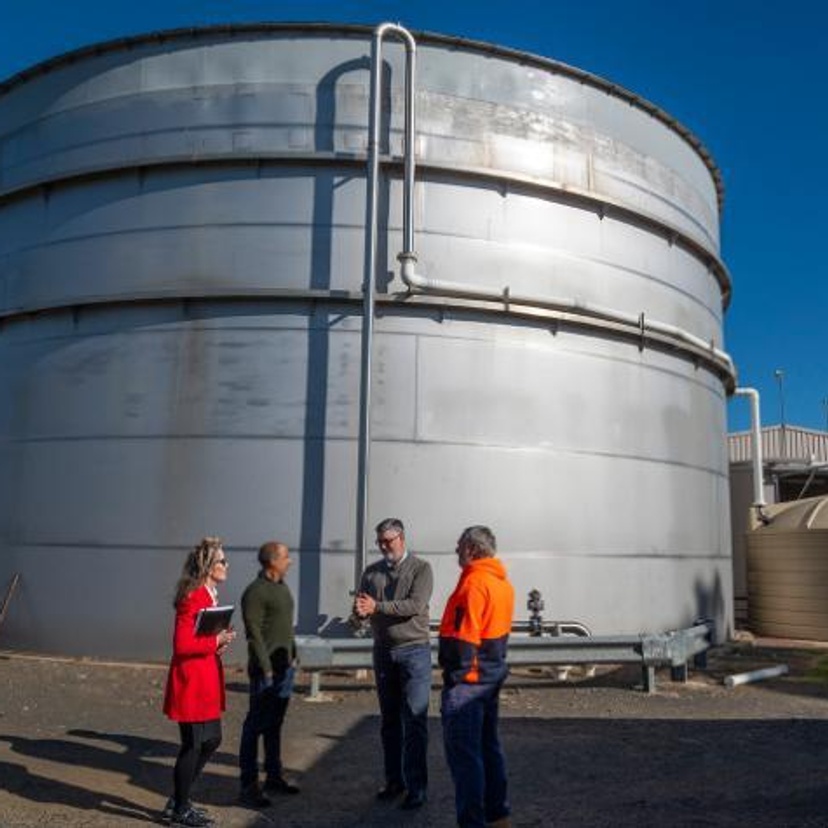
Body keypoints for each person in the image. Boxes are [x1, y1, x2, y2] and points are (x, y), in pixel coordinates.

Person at [438, 526, 515, 828]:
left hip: (468, 685)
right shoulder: (502, 584)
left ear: (471, 549)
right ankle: (498, 816)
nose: (456, 550)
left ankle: (472, 823)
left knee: (465, 759)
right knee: (489, 750)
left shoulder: (473, 585)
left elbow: (463, 642)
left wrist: (454, 678)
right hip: (490, 678)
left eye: (459, 545)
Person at [354, 517, 433, 810]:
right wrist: (360, 614)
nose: (384, 546)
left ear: (401, 537)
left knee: (415, 721)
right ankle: (394, 781)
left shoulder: (421, 569)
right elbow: (361, 609)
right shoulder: (371, 573)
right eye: (380, 542)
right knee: (389, 722)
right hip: (384, 652)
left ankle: (417, 787)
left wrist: (377, 607)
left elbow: (415, 605)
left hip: (414, 653)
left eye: (388, 540)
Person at [163, 536, 236, 828]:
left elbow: (199, 639)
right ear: (208, 566)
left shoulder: (208, 594)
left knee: (212, 739)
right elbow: (181, 645)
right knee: (192, 745)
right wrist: (214, 640)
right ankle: (179, 808)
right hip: (191, 681)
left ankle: (179, 799)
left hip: (204, 678)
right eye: (221, 561)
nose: (226, 565)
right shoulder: (193, 596)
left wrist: (219, 643)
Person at [238, 541, 300, 807]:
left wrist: (294, 651)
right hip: (266, 671)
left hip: (285, 667)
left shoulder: (281, 588)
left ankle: (274, 775)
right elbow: (254, 634)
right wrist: (265, 669)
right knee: (254, 727)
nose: (290, 561)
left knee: (275, 724)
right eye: (286, 557)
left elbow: (285, 626)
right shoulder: (255, 593)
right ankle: (248, 786)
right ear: (272, 561)